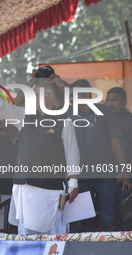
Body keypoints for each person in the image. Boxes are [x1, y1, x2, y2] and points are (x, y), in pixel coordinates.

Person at [0, 71, 80, 234]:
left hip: (51, 189)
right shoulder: (23, 116)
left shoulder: (65, 122)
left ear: (50, 97)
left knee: (54, 233)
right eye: (33, 94)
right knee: (26, 233)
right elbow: (2, 107)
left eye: (39, 94)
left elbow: (72, 153)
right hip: (26, 188)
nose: (34, 97)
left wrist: (73, 182)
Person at [66, 80, 131, 232]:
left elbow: (115, 142)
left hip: (105, 174)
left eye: (74, 95)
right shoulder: (67, 114)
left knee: (110, 217)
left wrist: (124, 171)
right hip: (80, 176)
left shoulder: (105, 112)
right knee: (82, 221)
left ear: (86, 94)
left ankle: (112, 251)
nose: (71, 99)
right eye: (70, 96)